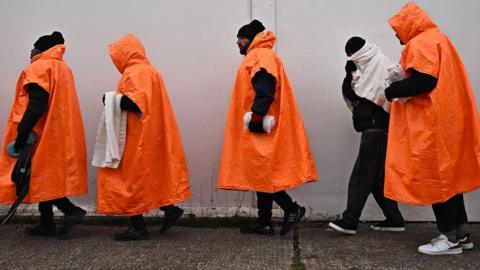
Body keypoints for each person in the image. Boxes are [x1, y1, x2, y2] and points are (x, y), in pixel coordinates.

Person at [385, 3, 480, 255]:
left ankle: (448, 238)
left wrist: (392, 90)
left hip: (431, 123)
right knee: (450, 182)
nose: (396, 35)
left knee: (436, 181)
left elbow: (425, 80)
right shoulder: (440, 39)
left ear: (409, 25)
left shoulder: (420, 42)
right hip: (449, 120)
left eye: (397, 30)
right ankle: (461, 234)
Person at [217, 20, 317, 235]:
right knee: (260, 172)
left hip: (260, 125)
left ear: (250, 38)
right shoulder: (261, 55)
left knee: (262, 173)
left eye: (240, 38)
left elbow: (265, 86)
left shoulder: (260, 56)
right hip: (260, 123)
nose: (237, 42)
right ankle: (264, 223)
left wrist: (257, 116)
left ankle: (291, 208)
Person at [96, 34, 191, 241]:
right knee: (150, 176)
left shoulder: (134, 72)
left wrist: (109, 99)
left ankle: (138, 228)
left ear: (124, 54)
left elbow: (135, 103)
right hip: (153, 133)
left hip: (138, 136)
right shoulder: (150, 71)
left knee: (130, 180)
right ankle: (169, 209)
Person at [0, 31, 88, 237]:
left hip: (41, 133)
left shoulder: (39, 67)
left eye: (34, 46)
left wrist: (22, 134)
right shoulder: (63, 68)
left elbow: (37, 104)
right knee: (44, 176)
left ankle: (72, 211)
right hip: (59, 132)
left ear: (43, 49)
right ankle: (46, 222)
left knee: (38, 176)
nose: (30, 50)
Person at [328, 37, 405, 235]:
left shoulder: (379, 65)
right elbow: (354, 93)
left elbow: (374, 96)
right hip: (376, 130)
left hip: (376, 129)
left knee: (361, 176)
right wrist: (349, 75)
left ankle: (350, 220)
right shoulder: (363, 66)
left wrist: (352, 79)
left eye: (350, 54)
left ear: (356, 53)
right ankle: (395, 219)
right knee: (377, 179)